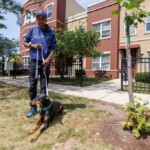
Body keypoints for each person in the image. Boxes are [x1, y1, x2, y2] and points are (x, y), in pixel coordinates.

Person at [24, 10, 56, 117]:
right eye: (39, 18)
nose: (40, 20)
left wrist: (48, 59)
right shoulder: (32, 30)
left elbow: (53, 48)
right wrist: (32, 46)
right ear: (37, 19)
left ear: (46, 20)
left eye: (43, 18)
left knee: (44, 86)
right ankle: (33, 108)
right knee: (32, 85)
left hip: (44, 63)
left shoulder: (51, 33)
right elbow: (25, 43)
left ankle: (43, 107)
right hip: (33, 62)